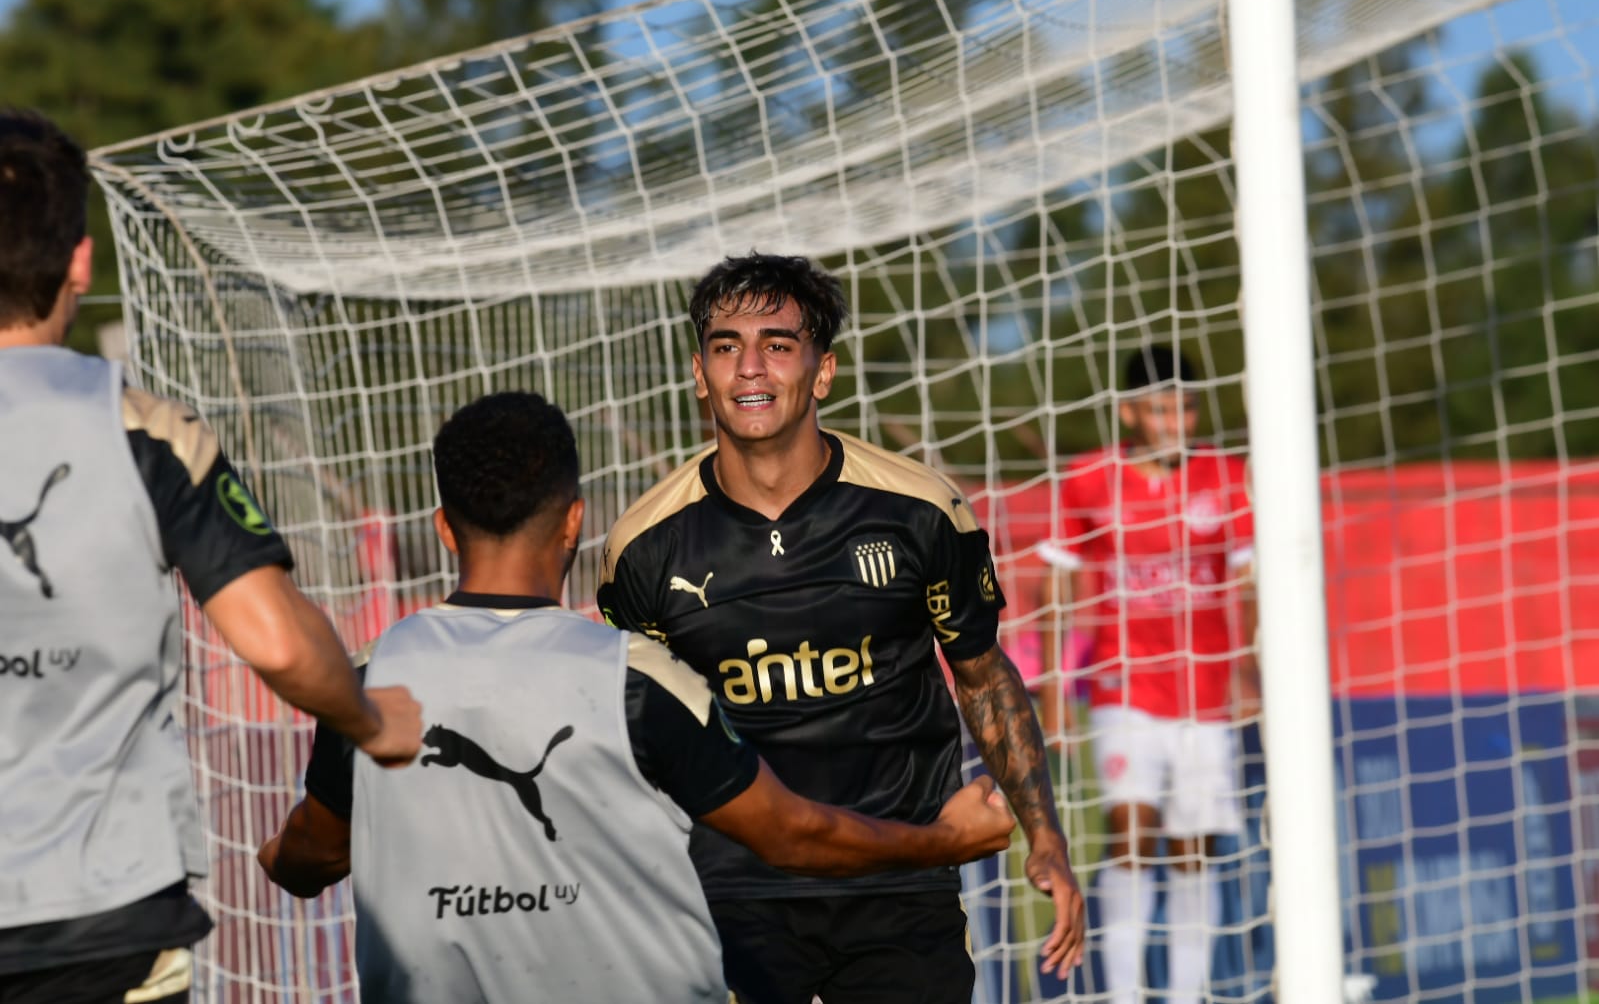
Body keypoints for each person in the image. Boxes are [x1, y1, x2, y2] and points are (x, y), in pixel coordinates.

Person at [258, 391, 1017, 1003]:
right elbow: (788, 834)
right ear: (575, 523)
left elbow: (311, 856)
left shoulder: (372, 676)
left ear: (443, 530)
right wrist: (943, 841)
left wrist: (276, 853)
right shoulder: (635, 677)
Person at [0, 109, 423, 1004]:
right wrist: (371, 721)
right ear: (81, 261)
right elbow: (276, 643)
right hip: (104, 919)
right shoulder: (145, 432)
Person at [595, 252, 1086, 1004]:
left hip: (901, 884)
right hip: (733, 898)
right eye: (726, 347)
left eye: (777, 345)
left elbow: (983, 677)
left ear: (822, 371)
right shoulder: (642, 547)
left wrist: (1044, 832)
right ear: (699, 373)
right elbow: (635, 740)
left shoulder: (921, 510)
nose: (749, 368)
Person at [1039, 344, 1257, 1004]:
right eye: (1160, 410)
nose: (1174, 423)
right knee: (1130, 835)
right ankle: (1124, 995)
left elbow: (1247, 581)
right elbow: (1056, 587)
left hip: (1203, 693)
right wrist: (1054, 691)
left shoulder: (1226, 477)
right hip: (1122, 684)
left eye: (1185, 409)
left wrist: (1248, 666)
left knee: (1191, 848)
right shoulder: (1088, 478)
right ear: (1131, 414)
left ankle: (1186, 995)